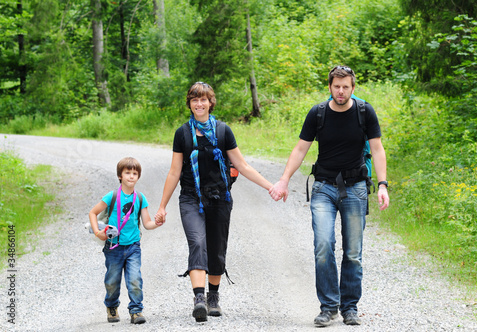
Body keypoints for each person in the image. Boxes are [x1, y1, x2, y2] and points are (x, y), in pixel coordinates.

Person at [269, 66, 389, 327]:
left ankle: (350, 307)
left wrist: (382, 185)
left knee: (353, 252)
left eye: (346, 86)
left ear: (353, 88)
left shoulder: (364, 112)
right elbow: (301, 148)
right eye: (337, 86)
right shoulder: (318, 113)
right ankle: (328, 306)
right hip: (324, 187)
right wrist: (284, 180)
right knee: (323, 246)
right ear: (330, 87)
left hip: (356, 188)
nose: (341, 91)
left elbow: (377, 150)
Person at [155, 82, 273, 322]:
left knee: (217, 247)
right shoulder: (183, 134)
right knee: (197, 242)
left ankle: (213, 297)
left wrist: (270, 186)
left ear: (211, 103)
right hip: (190, 197)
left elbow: (242, 165)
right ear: (189, 103)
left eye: (203, 100)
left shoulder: (223, 131)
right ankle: (199, 298)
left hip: (219, 197)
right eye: (195, 100)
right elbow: (174, 172)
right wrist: (162, 206)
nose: (199, 104)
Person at [89, 157, 163, 324]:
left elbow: (147, 223)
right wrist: (97, 232)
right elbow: (93, 213)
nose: (131, 176)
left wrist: (157, 223)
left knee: (135, 279)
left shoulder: (140, 198)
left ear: (138, 177)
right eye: (127, 173)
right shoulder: (112, 196)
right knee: (112, 281)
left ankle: (136, 311)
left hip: (133, 247)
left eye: (135, 173)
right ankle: (112, 305)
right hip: (113, 246)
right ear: (120, 176)